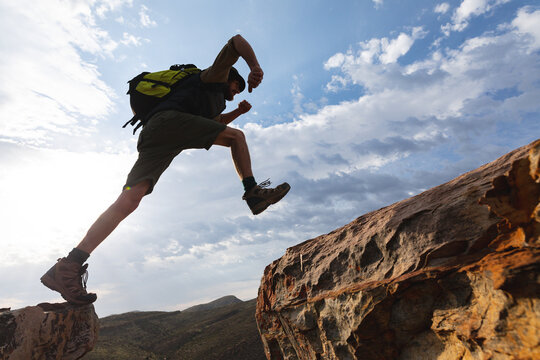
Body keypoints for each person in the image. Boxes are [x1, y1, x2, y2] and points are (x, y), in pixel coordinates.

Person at [40, 34, 290, 305]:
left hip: (158, 134)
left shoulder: (210, 104)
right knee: (237, 138)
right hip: (169, 124)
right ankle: (252, 192)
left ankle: (69, 265)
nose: (234, 95)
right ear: (230, 78)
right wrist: (255, 67)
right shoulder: (213, 77)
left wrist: (238, 113)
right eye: (235, 89)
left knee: (128, 200)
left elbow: (215, 123)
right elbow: (236, 41)